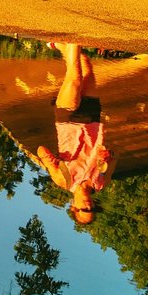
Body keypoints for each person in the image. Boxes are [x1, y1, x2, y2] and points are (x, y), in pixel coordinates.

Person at [35, 43, 117, 224]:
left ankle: (71, 35)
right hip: (93, 120)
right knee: (85, 64)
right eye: (92, 209)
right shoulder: (101, 182)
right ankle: (58, 45)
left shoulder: (64, 180)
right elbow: (114, 158)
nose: (88, 205)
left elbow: (40, 150)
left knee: (74, 77)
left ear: (73, 207)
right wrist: (108, 155)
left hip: (68, 120)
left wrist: (50, 161)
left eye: (83, 209)